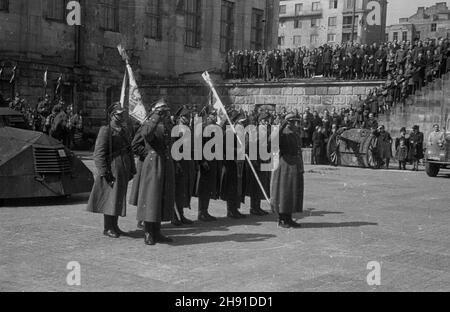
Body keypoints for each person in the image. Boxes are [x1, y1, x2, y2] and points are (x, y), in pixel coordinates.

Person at [86, 102, 136, 238]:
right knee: (110, 198)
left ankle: (115, 225)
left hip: (123, 168)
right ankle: (108, 227)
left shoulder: (124, 129)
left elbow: (129, 150)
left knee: (119, 197)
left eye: (122, 114)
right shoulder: (106, 130)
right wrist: (104, 172)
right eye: (119, 114)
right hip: (112, 167)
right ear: (112, 115)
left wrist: (132, 168)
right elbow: (99, 153)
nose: (122, 116)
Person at [136, 99, 175, 245]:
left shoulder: (165, 125)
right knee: (151, 198)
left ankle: (157, 232)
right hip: (153, 163)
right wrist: (156, 116)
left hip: (164, 162)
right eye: (162, 111)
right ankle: (148, 232)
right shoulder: (149, 123)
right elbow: (146, 134)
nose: (165, 113)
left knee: (161, 198)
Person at [270, 113, 304, 228]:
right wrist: (281, 126)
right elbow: (271, 140)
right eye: (294, 122)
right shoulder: (283, 133)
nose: (297, 124)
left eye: (297, 122)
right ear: (288, 122)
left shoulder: (295, 133)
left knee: (292, 193)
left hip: (294, 164)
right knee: (284, 193)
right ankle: (282, 219)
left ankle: (288, 218)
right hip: (285, 165)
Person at [220, 110, 247, 219]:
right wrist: (239, 151)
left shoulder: (237, 131)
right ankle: (231, 210)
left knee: (237, 186)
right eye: (239, 121)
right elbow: (227, 148)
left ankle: (235, 208)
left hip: (237, 162)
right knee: (232, 186)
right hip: (231, 162)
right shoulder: (229, 132)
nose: (241, 123)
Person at [194, 110, 220, 222]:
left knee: (209, 187)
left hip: (214, 161)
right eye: (212, 115)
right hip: (205, 163)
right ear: (208, 116)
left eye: (215, 115)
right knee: (204, 189)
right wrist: (202, 160)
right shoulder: (203, 128)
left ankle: (205, 211)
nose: (214, 117)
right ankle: (201, 212)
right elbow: (198, 146)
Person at [245, 111, 271, 216]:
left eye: (267, 120)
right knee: (255, 186)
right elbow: (249, 147)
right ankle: (253, 207)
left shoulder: (266, 132)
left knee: (261, 185)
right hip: (255, 162)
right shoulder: (254, 132)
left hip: (264, 161)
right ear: (259, 121)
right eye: (264, 120)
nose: (266, 122)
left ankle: (257, 206)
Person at [172, 106, 195, 226]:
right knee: (177, 190)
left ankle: (181, 214)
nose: (189, 118)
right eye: (186, 116)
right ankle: (174, 216)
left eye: (189, 116)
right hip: (178, 162)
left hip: (187, 162)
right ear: (181, 117)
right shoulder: (176, 129)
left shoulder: (188, 129)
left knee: (184, 190)